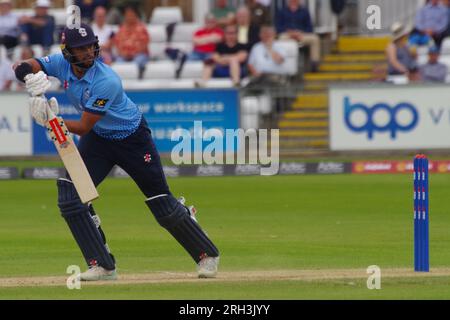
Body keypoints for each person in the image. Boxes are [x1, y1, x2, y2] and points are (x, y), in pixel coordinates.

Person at [12, 23, 220, 281]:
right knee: (70, 196)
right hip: (101, 141)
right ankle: (102, 265)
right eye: (81, 48)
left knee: (162, 205)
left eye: (90, 46)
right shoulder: (60, 63)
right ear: (68, 51)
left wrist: (51, 119)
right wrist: (28, 78)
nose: (88, 52)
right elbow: (24, 65)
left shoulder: (106, 80)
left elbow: (85, 126)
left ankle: (207, 254)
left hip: (132, 139)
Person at [275, 0, 321, 72]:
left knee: (315, 38)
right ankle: (282, 63)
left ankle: (314, 63)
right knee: (281, 38)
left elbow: (310, 28)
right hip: (288, 35)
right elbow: (278, 28)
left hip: (301, 35)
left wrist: (300, 32)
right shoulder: (282, 11)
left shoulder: (304, 11)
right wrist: (290, 32)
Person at [112, 5, 150, 79]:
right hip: (124, 56)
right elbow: (117, 44)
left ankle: (139, 78)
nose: (129, 17)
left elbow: (144, 45)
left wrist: (133, 54)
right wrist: (124, 54)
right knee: (118, 62)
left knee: (138, 61)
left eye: (131, 15)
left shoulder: (142, 28)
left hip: (138, 55)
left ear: (136, 15)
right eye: (127, 15)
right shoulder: (121, 29)